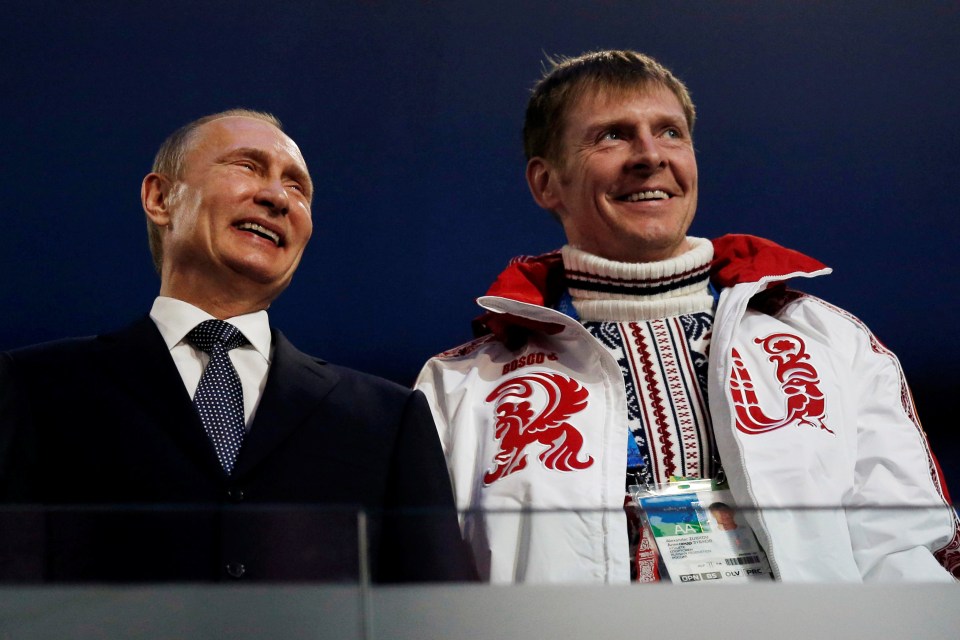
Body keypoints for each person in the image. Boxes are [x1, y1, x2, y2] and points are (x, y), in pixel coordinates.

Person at [415, 50, 960, 583]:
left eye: (670, 132)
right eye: (612, 134)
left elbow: (911, 553)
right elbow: (432, 589)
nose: (651, 155)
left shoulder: (828, 342)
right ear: (545, 183)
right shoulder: (462, 386)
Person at [0, 109, 474, 583]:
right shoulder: (35, 389)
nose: (276, 197)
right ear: (160, 198)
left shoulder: (386, 420)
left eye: (297, 187)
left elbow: (436, 611)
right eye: (247, 166)